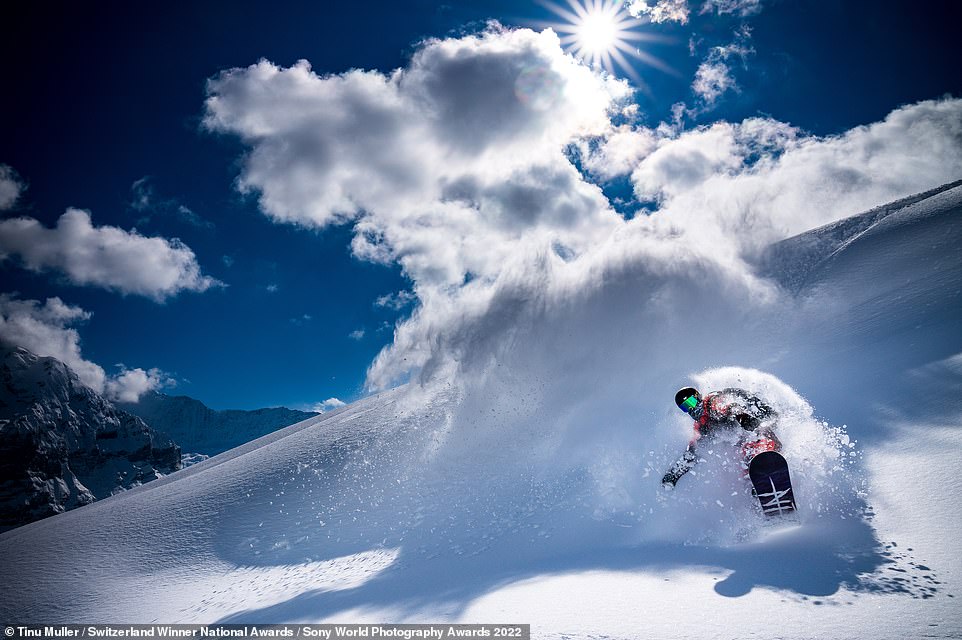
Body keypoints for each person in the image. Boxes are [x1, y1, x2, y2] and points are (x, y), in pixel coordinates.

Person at [662, 386, 782, 488]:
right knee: (743, 465)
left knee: (751, 449)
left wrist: (742, 417)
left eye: (691, 402)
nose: (691, 409)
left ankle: (767, 468)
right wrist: (674, 474)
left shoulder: (710, 403)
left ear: (698, 397)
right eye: (685, 407)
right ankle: (758, 489)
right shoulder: (702, 427)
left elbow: (728, 406)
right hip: (746, 447)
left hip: (759, 435)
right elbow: (693, 452)